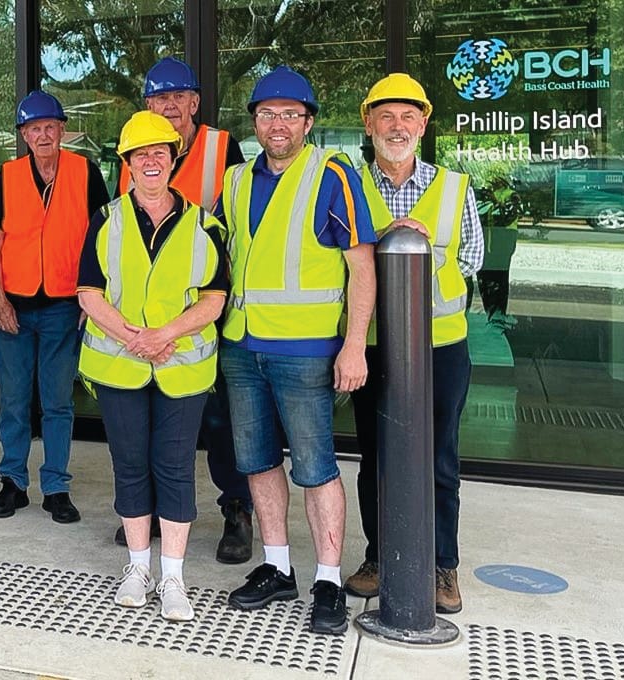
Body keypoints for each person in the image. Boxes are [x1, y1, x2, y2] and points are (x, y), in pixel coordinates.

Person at [216, 66, 377, 635]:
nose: (277, 123)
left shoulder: (332, 173)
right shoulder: (234, 181)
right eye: (266, 113)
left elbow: (362, 266)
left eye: (290, 114)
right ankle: (277, 567)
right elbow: (221, 260)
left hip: (307, 350)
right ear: (254, 121)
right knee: (257, 462)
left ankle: (328, 579)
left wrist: (354, 345)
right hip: (241, 346)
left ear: (308, 122)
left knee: (315, 468)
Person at [78, 112, 229, 621]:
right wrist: (133, 338)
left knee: (176, 469)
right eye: (139, 153)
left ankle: (173, 579)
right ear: (126, 163)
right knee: (130, 466)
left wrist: (164, 335)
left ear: (173, 158)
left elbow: (215, 298)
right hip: (121, 367)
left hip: (180, 367)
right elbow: (88, 293)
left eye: (159, 152)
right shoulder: (105, 218)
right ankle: (137, 568)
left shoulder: (204, 222)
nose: (150, 161)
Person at [344, 74, 483, 614]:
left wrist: (415, 251)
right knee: (375, 457)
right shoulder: (350, 183)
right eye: (386, 116)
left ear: (423, 125)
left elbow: (468, 260)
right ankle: (381, 557)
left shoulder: (453, 186)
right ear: (369, 123)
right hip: (375, 344)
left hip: (439, 346)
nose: (396, 127)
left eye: (408, 117)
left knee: (438, 459)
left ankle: (441, 566)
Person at [111, 56, 255, 564]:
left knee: (218, 421)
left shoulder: (223, 148)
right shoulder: (135, 150)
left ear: (195, 102)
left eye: (179, 97)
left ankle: (236, 509)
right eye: (159, 98)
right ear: (148, 106)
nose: (169, 106)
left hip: (202, 313)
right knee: (147, 423)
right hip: (147, 323)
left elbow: (236, 221)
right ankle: (142, 514)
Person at [0, 90, 110, 524]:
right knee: (14, 401)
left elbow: (102, 238)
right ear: (23, 135)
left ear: (62, 130)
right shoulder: (9, 174)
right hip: (14, 307)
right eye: (33, 128)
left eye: (49, 127)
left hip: (63, 305)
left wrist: (91, 296)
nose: (42, 134)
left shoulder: (85, 171)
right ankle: (13, 483)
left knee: (57, 402)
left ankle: (56, 486)